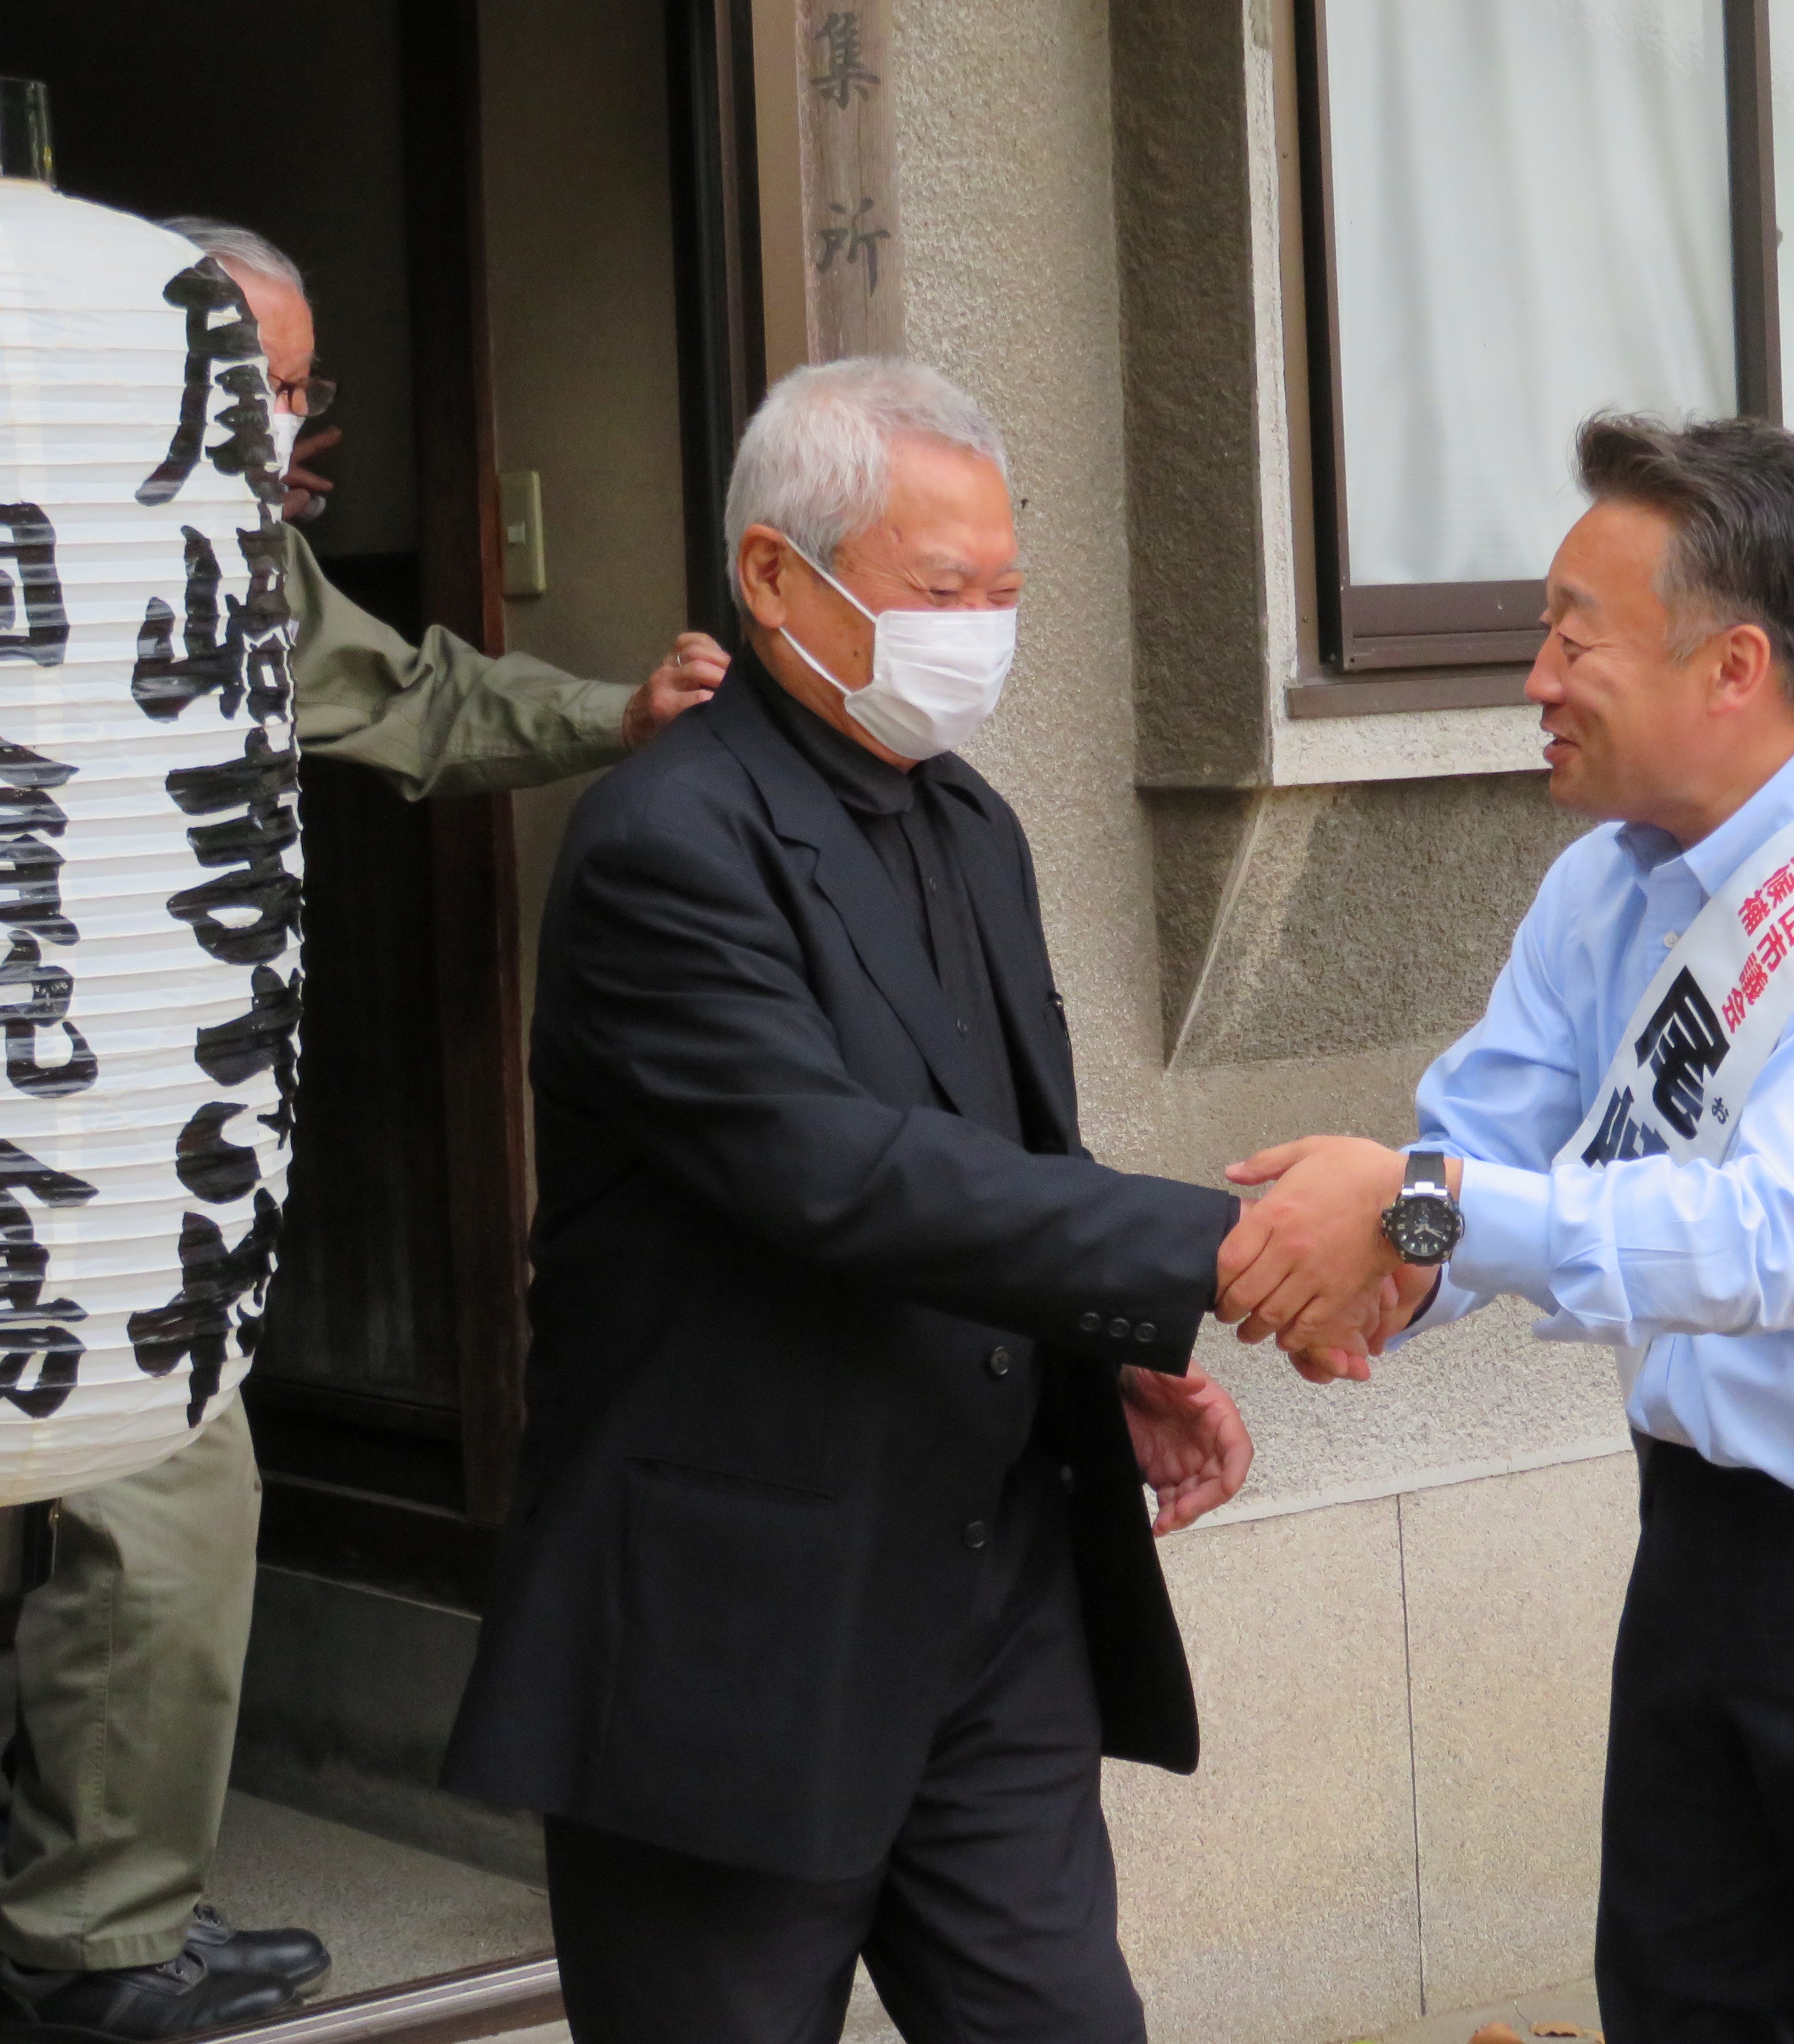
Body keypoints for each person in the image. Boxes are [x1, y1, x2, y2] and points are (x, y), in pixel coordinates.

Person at [1215, 415, 1794, 2044]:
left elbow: (1762, 1238)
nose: (1537, 679)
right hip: (1707, 1532)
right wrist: (1366, 1276)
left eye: (1576, 640)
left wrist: (1413, 1208)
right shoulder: (1608, 885)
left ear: (1734, 667)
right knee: (1681, 1990)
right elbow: (1485, 1139)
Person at [0, 220, 732, 2044]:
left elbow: (409, 699)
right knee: (161, 1497)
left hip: (154, 1114)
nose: (289, 423)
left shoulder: (237, 555)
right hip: (0, 1105)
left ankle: (61, 1866)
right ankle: (82, 1945)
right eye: (259, 379)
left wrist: (616, 717)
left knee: (131, 1499)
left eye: (304, 388)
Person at [441, 356, 1254, 2044]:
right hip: (737, 1629)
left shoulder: (970, 822)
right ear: (772, 576)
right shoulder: (668, 839)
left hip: (990, 1587)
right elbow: (844, 1176)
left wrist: (1098, 1349)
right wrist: (1228, 1245)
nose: (984, 632)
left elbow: (1007, 1160)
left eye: (1006, 593)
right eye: (943, 592)